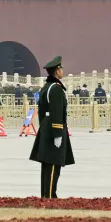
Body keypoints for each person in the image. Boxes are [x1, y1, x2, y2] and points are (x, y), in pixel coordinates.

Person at [29, 56, 75, 199]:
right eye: (61, 68)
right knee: (53, 164)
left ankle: (46, 195)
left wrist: (45, 127)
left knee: (47, 165)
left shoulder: (46, 88)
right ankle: (50, 195)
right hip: (53, 130)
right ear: (57, 71)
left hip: (46, 128)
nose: (62, 71)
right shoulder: (55, 89)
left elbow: (43, 112)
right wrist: (57, 133)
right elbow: (56, 112)